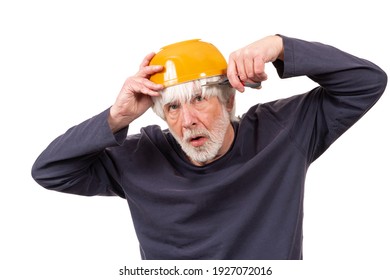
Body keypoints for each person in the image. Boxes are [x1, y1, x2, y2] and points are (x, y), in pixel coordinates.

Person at [31, 35, 387, 260]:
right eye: (172, 107)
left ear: (229, 100)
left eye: (199, 100)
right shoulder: (139, 157)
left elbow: (366, 82)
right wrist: (116, 117)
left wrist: (278, 47)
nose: (187, 121)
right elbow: (50, 170)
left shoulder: (282, 132)